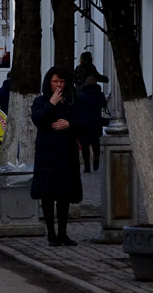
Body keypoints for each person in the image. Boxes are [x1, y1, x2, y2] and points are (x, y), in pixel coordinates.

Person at [30, 66, 82, 246]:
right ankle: (51, 234)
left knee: (64, 195)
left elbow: (83, 121)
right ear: (48, 82)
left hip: (66, 154)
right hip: (47, 154)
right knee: (47, 195)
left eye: (61, 82)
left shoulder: (71, 100)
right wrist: (51, 103)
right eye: (55, 82)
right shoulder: (41, 100)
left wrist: (69, 124)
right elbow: (38, 119)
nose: (59, 85)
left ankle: (63, 234)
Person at [75, 75, 106, 173]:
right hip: (96, 123)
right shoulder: (100, 94)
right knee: (96, 143)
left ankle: (87, 166)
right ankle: (96, 158)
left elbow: (77, 109)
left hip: (83, 124)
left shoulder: (80, 95)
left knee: (85, 146)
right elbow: (104, 104)